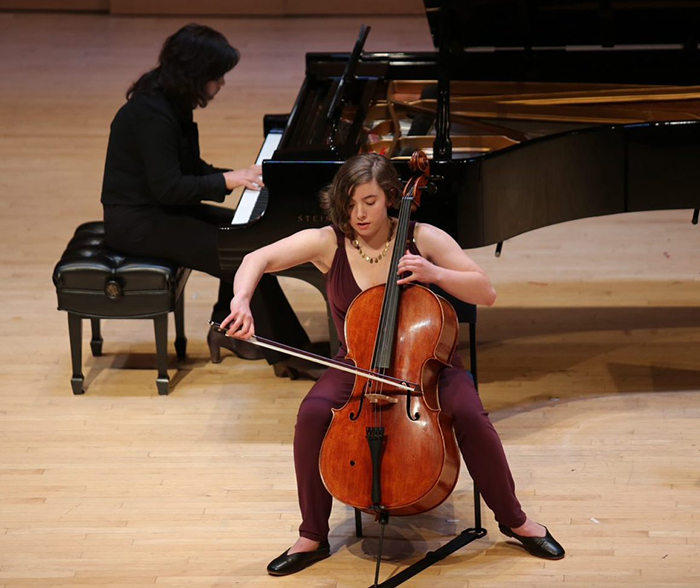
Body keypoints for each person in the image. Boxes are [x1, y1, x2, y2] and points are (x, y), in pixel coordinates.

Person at [221, 153, 566, 575]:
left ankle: (516, 521)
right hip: (357, 365)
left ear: (389, 197)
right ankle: (312, 534)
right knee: (311, 413)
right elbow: (255, 259)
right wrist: (241, 301)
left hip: (430, 367)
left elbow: (485, 291)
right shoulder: (330, 242)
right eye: (349, 203)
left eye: (368, 201)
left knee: (471, 414)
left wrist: (434, 273)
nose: (358, 213)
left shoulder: (425, 238)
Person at [100, 23, 318, 378]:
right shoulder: (151, 115)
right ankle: (292, 353)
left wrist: (234, 175)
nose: (221, 84)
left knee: (242, 233)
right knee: (243, 251)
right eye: (217, 76)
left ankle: (228, 326)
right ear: (195, 74)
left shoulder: (171, 99)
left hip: (160, 210)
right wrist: (226, 181)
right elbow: (169, 187)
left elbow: (186, 168)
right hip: (137, 223)